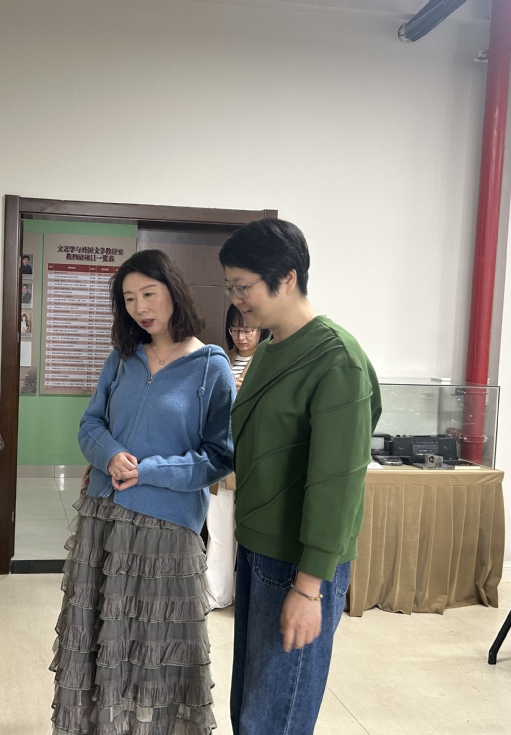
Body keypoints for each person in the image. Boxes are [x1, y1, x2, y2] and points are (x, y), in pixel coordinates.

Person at [50, 249, 235, 735]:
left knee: (158, 647)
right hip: (103, 520)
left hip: (166, 529)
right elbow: (90, 424)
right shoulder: (122, 358)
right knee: (101, 639)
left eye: (149, 294)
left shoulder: (210, 367)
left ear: (173, 291)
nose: (140, 307)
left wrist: (149, 471)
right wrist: (109, 454)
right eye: (129, 299)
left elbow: (219, 456)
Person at [218, 219, 381, 735]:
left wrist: (309, 589)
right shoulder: (268, 349)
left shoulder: (337, 359)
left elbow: (338, 481)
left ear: (286, 278)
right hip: (257, 549)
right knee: (251, 707)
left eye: (243, 286)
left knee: (275, 716)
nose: (236, 300)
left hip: (299, 563)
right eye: (230, 287)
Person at [205, 305, 269, 610]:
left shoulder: (270, 359)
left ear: (261, 329)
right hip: (222, 455)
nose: (241, 337)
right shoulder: (221, 359)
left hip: (254, 458)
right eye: (235, 329)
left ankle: (251, 597)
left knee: (253, 533)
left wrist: (250, 392)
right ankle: (217, 593)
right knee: (218, 528)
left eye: (248, 330)